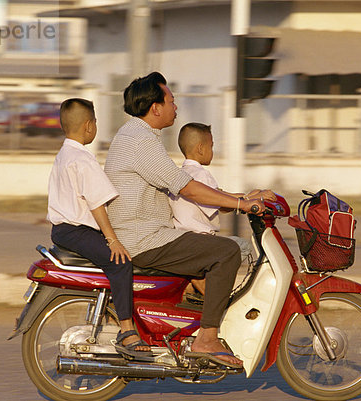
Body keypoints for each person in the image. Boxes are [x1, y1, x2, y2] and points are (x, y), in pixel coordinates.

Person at [104, 72, 265, 368]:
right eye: (171, 101)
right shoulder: (141, 141)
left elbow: (191, 187)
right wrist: (242, 204)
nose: (175, 107)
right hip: (144, 239)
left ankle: (187, 328)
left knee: (206, 253)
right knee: (226, 252)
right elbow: (188, 187)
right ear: (155, 107)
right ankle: (207, 338)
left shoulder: (136, 135)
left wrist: (240, 198)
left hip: (146, 233)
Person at [47, 98, 151, 360]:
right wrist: (113, 240)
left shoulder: (64, 155)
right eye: (95, 122)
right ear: (88, 125)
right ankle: (127, 330)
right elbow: (97, 205)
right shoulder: (82, 159)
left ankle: (109, 318)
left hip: (63, 230)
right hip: (76, 231)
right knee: (121, 263)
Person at [169, 122, 277, 297]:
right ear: (201, 148)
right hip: (199, 239)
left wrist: (249, 196)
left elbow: (219, 195)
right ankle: (205, 288)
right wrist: (247, 201)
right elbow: (223, 204)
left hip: (186, 238)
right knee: (241, 247)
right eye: (212, 146)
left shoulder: (185, 173)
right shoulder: (201, 174)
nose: (213, 150)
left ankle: (197, 284)